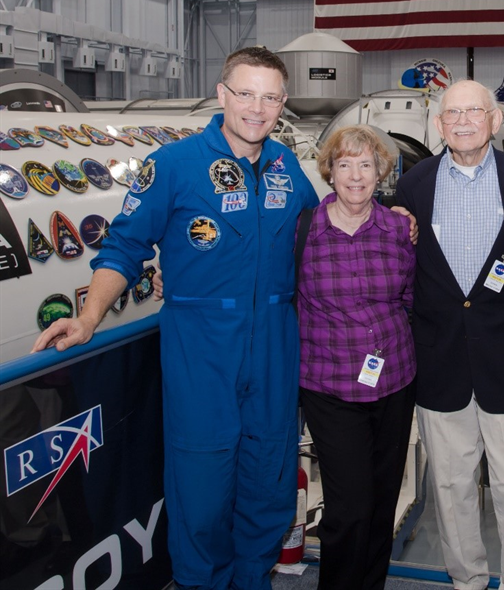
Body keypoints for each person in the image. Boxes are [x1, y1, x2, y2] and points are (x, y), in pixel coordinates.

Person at [33, 46, 321, 590]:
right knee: (202, 489)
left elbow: (322, 232)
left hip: (277, 346)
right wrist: (89, 316)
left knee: (269, 483)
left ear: (282, 103)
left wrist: (390, 218)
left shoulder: (287, 166)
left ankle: (253, 579)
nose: (257, 108)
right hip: (203, 347)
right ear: (222, 94)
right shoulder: (174, 165)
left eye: (269, 97)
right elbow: (123, 247)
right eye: (246, 93)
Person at [394, 79, 504, 590]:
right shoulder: (414, 185)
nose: (463, 121)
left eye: (474, 111)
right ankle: (467, 580)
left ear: (493, 120)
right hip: (440, 362)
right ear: (439, 125)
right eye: (452, 113)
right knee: (450, 484)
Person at [296, 125, 416, 590]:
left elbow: (408, 296)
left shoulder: (397, 229)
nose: (355, 175)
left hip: (396, 381)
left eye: (366, 165)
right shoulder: (304, 230)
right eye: (344, 164)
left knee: (384, 499)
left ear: (380, 172)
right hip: (329, 384)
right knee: (349, 506)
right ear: (330, 172)